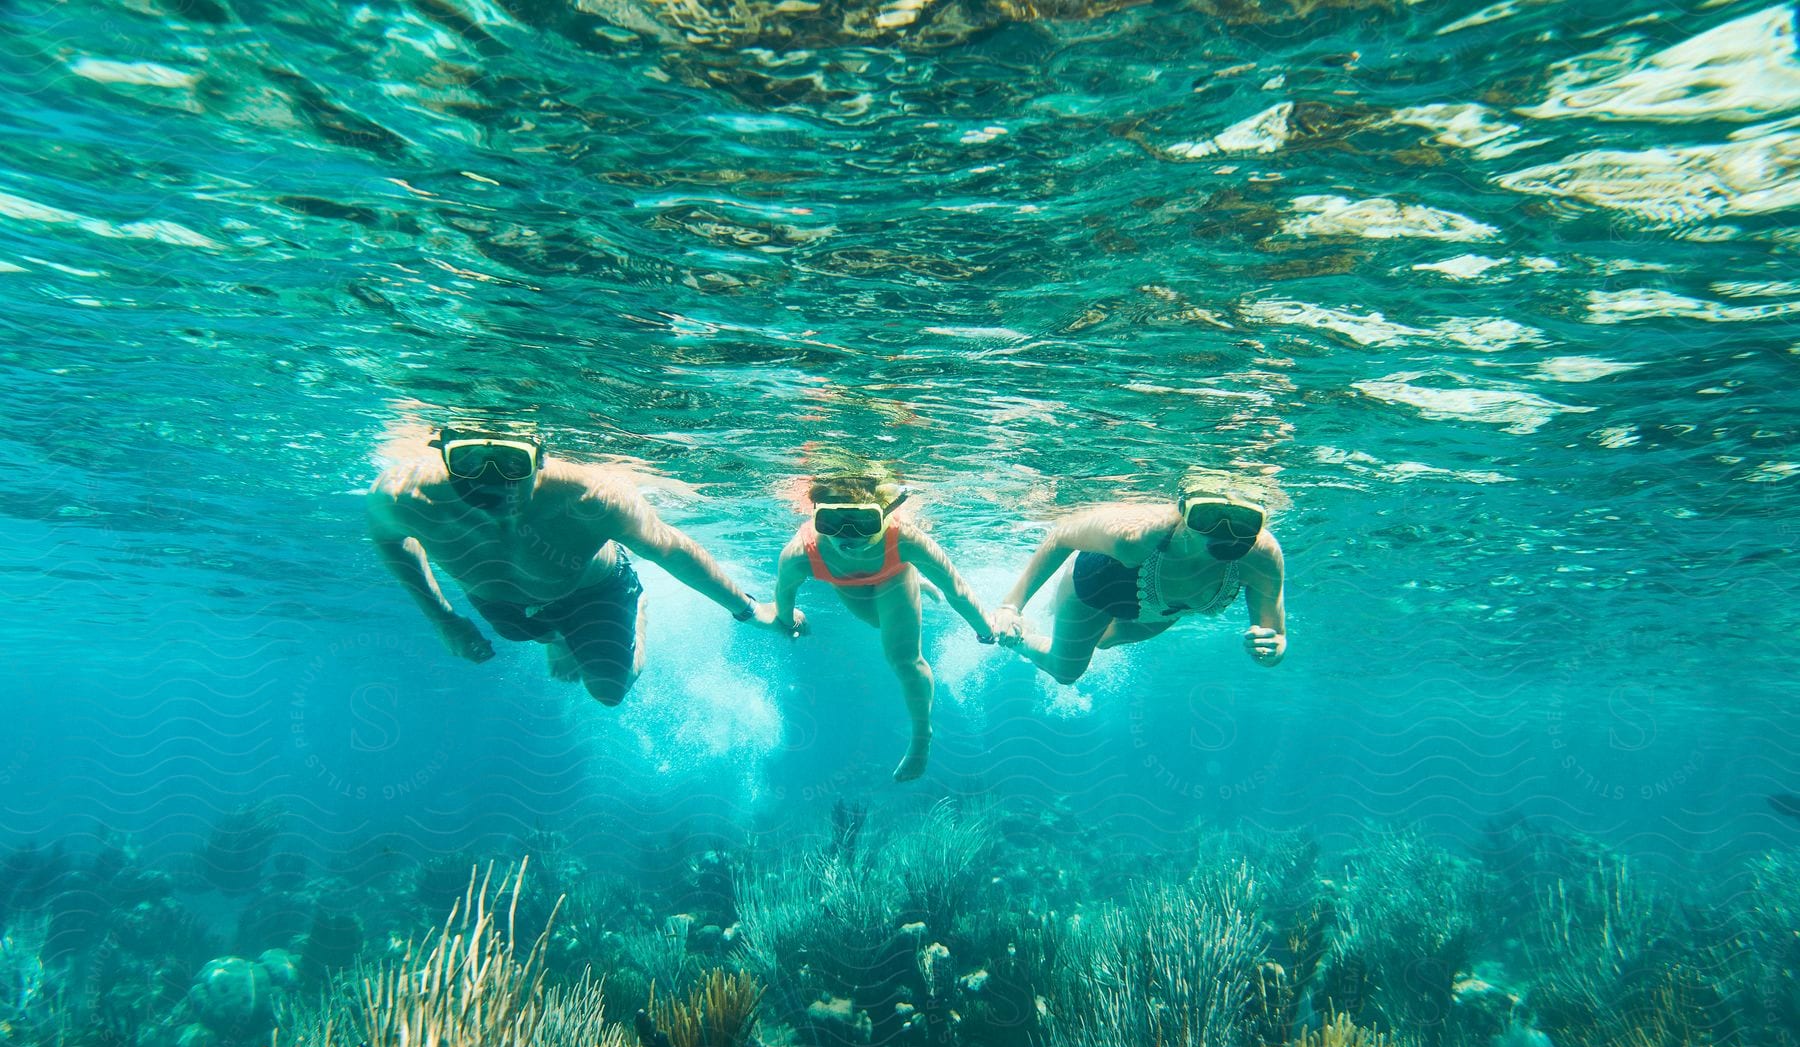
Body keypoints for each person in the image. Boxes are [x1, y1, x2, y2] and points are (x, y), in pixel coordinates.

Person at [367, 426, 795, 706]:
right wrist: (444, 618)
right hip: (500, 607)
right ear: (443, 454)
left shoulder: (592, 497)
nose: (491, 479)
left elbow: (671, 549)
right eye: (469, 461)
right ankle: (556, 636)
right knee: (527, 633)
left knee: (609, 691)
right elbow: (390, 540)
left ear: (540, 456)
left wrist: (750, 610)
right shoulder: (402, 495)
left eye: (513, 462)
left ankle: (634, 607)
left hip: (594, 591)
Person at [772, 474, 998, 783]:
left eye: (862, 522)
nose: (846, 535)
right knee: (877, 622)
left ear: (885, 515)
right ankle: (914, 582)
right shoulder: (800, 554)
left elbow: (955, 588)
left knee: (902, 658)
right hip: (846, 581)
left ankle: (922, 737)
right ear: (816, 516)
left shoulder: (904, 538)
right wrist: (788, 620)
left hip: (893, 573)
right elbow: (784, 596)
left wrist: (985, 629)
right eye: (831, 522)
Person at [990, 471, 1287, 682]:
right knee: (1066, 671)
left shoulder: (1263, 558)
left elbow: (1275, 635)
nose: (1224, 532)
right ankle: (1023, 639)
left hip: (1160, 610)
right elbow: (1061, 536)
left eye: (1245, 521)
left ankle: (1061, 617)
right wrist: (1011, 607)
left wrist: (1274, 650)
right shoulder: (1134, 537)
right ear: (1183, 511)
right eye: (1207, 517)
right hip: (1098, 587)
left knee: (1102, 642)